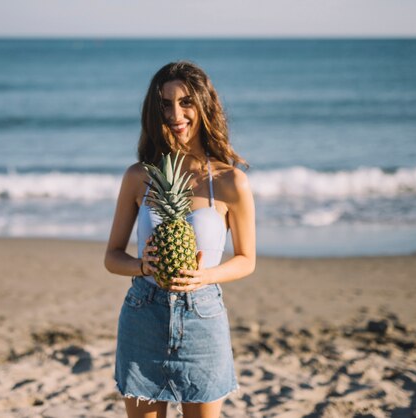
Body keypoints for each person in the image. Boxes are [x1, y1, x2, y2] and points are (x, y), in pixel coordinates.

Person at [104, 61, 256, 418]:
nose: (176, 114)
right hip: (143, 315)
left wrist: (205, 276)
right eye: (166, 104)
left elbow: (247, 259)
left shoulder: (231, 182)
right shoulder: (138, 177)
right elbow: (112, 256)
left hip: (202, 317)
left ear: (204, 105)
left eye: (186, 102)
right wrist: (142, 265)